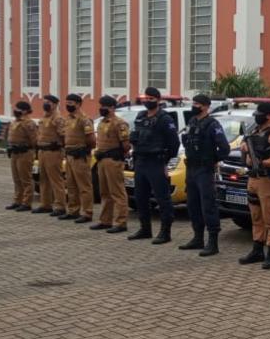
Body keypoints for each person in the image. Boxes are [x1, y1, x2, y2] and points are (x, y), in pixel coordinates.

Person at [238, 102, 270, 269]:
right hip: (253, 179)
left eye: (260, 114)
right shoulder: (255, 131)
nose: (257, 117)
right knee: (256, 217)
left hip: (268, 180)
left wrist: (264, 163)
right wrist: (245, 149)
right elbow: (246, 150)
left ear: (269, 115)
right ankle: (257, 249)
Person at [178, 94, 231, 256]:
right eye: (193, 103)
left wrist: (212, 160)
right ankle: (197, 238)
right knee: (193, 205)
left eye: (198, 104)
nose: (194, 106)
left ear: (206, 106)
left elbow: (224, 148)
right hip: (191, 169)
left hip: (204, 170)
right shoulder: (192, 121)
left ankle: (213, 243)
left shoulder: (212, 124)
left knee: (208, 206)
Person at [127, 87, 180, 244]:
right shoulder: (141, 116)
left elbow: (174, 143)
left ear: (158, 100)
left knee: (162, 198)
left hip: (156, 162)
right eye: (146, 98)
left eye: (151, 99)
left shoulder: (165, 118)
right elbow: (136, 135)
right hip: (140, 161)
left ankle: (165, 232)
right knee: (140, 197)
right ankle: (145, 229)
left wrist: (165, 161)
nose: (147, 101)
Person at [89, 96, 132, 234]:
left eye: (105, 106)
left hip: (113, 161)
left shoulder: (119, 123)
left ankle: (121, 222)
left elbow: (126, 145)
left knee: (117, 192)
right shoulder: (102, 122)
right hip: (101, 160)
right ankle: (105, 220)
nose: (102, 108)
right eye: (101, 105)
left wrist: (118, 153)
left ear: (112, 108)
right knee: (105, 192)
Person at [59, 94, 96, 223]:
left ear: (78, 104)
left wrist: (85, 150)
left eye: (71, 103)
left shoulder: (84, 120)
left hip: (80, 156)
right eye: (67, 102)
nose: (68, 105)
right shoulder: (68, 119)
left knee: (84, 186)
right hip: (69, 155)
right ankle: (73, 210)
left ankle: (87, 212)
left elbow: (91, 140)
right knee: (71, 185)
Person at [32, 95, 67, 216]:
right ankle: (45, 204)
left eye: (48, 102)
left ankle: (60, 206)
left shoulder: (58, 119)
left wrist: (60, 148)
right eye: (44, 102)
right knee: (44, 179)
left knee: (56, 180)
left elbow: (64, 136)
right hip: (42, 151)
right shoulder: (44, 118)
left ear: (55, 104)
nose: (45, 104)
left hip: (53, 152)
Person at [5, 101, 38, 212]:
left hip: (25, 153)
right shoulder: (14, 122)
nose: (15, 111)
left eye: (17, 109)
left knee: (26, 178)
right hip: (14, 152)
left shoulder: (29, 123)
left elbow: (34, 140)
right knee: (16, 179)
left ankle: (26, 202)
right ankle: (17, 201)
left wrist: (33, 152)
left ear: (24, 111)